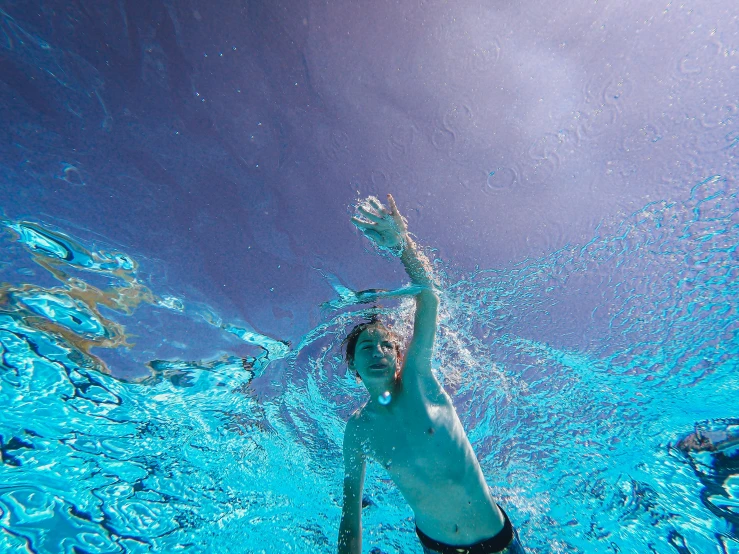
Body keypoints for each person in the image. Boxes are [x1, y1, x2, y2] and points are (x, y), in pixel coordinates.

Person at [338, 194, 524, 554]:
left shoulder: (418, 383)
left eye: (386, 346)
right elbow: (350, 514)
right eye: (366, 348)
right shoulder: (358, 431)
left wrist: (401, 244)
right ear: (354, 367)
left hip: (498, 543)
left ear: (399, 356)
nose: (377, 352)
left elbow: (429, 297)